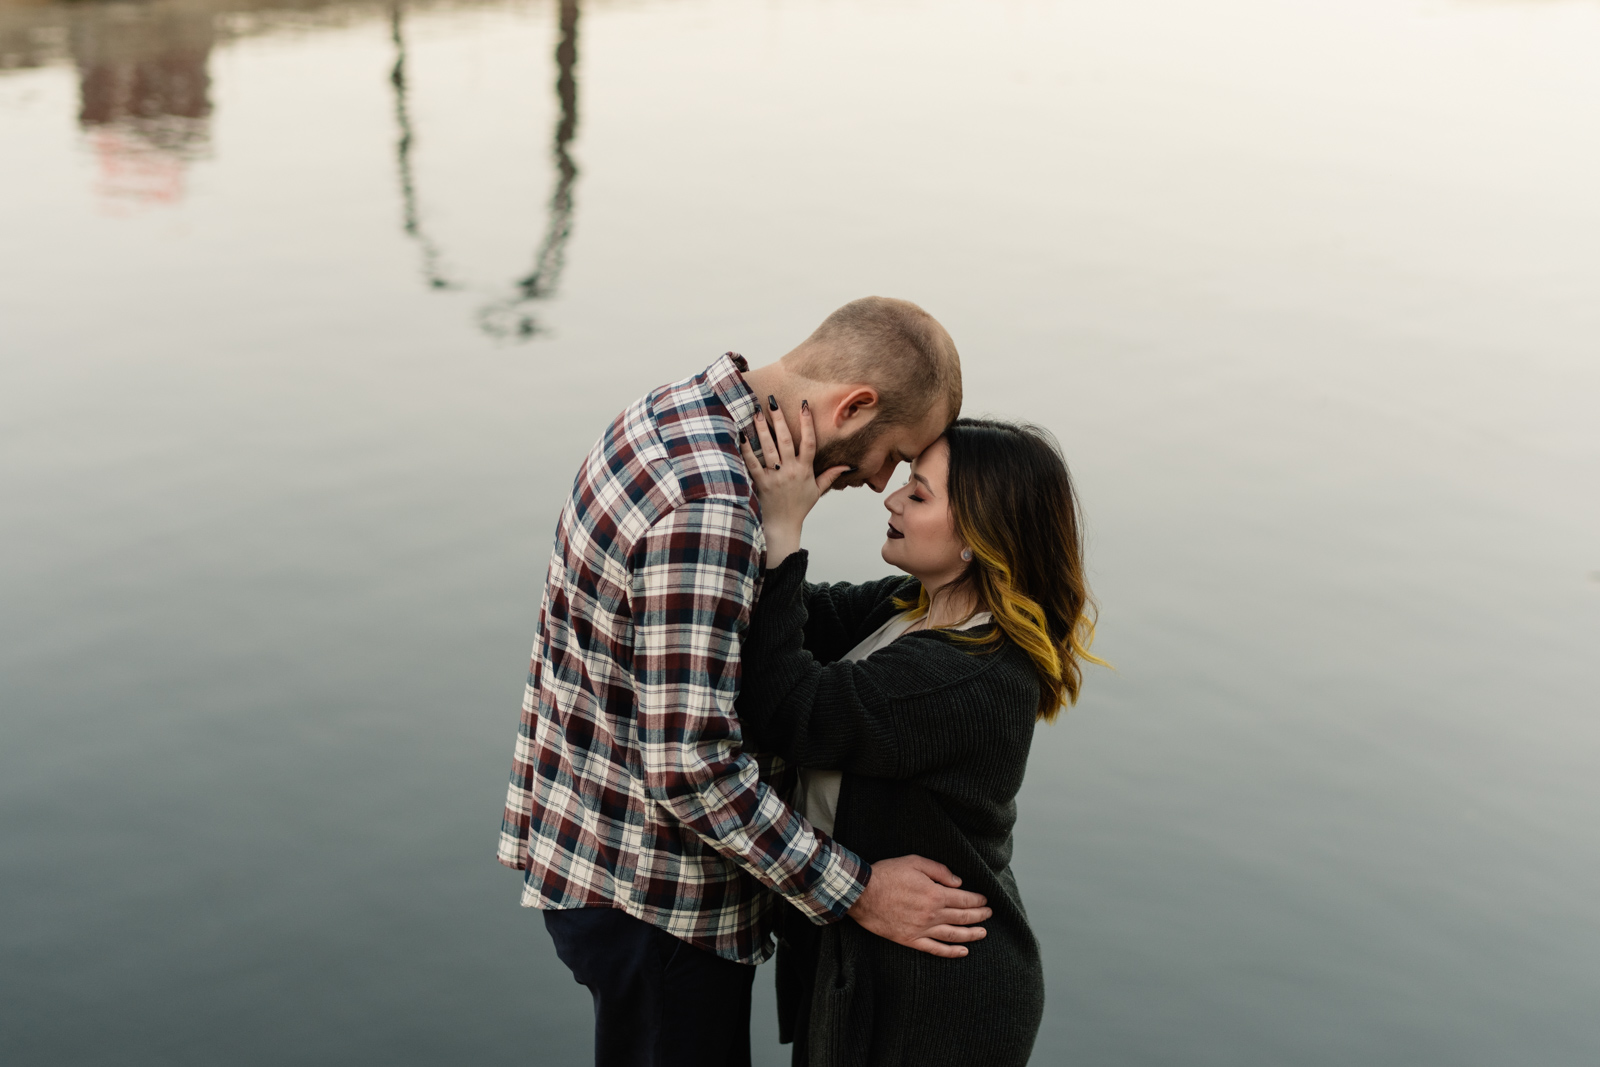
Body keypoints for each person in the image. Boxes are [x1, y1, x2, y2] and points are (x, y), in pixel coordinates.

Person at [497, 297, 994, 1067]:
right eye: (894, 454)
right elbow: (690, 767)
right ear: (854, 405)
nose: (880, 483)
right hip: (658, 900)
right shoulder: (711, 508)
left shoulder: (671, 413)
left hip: (595, 852)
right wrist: (858, 889)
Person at [736, 409, 1104, 1067]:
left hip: (933, 1002)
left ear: (977, 538)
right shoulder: (916, 606)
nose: (892, 496)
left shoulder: (962, 674)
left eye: (920, 492)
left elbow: (790, 707)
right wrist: (786, 494)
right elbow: (798, 616)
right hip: (883, 967)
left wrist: (786, 527)